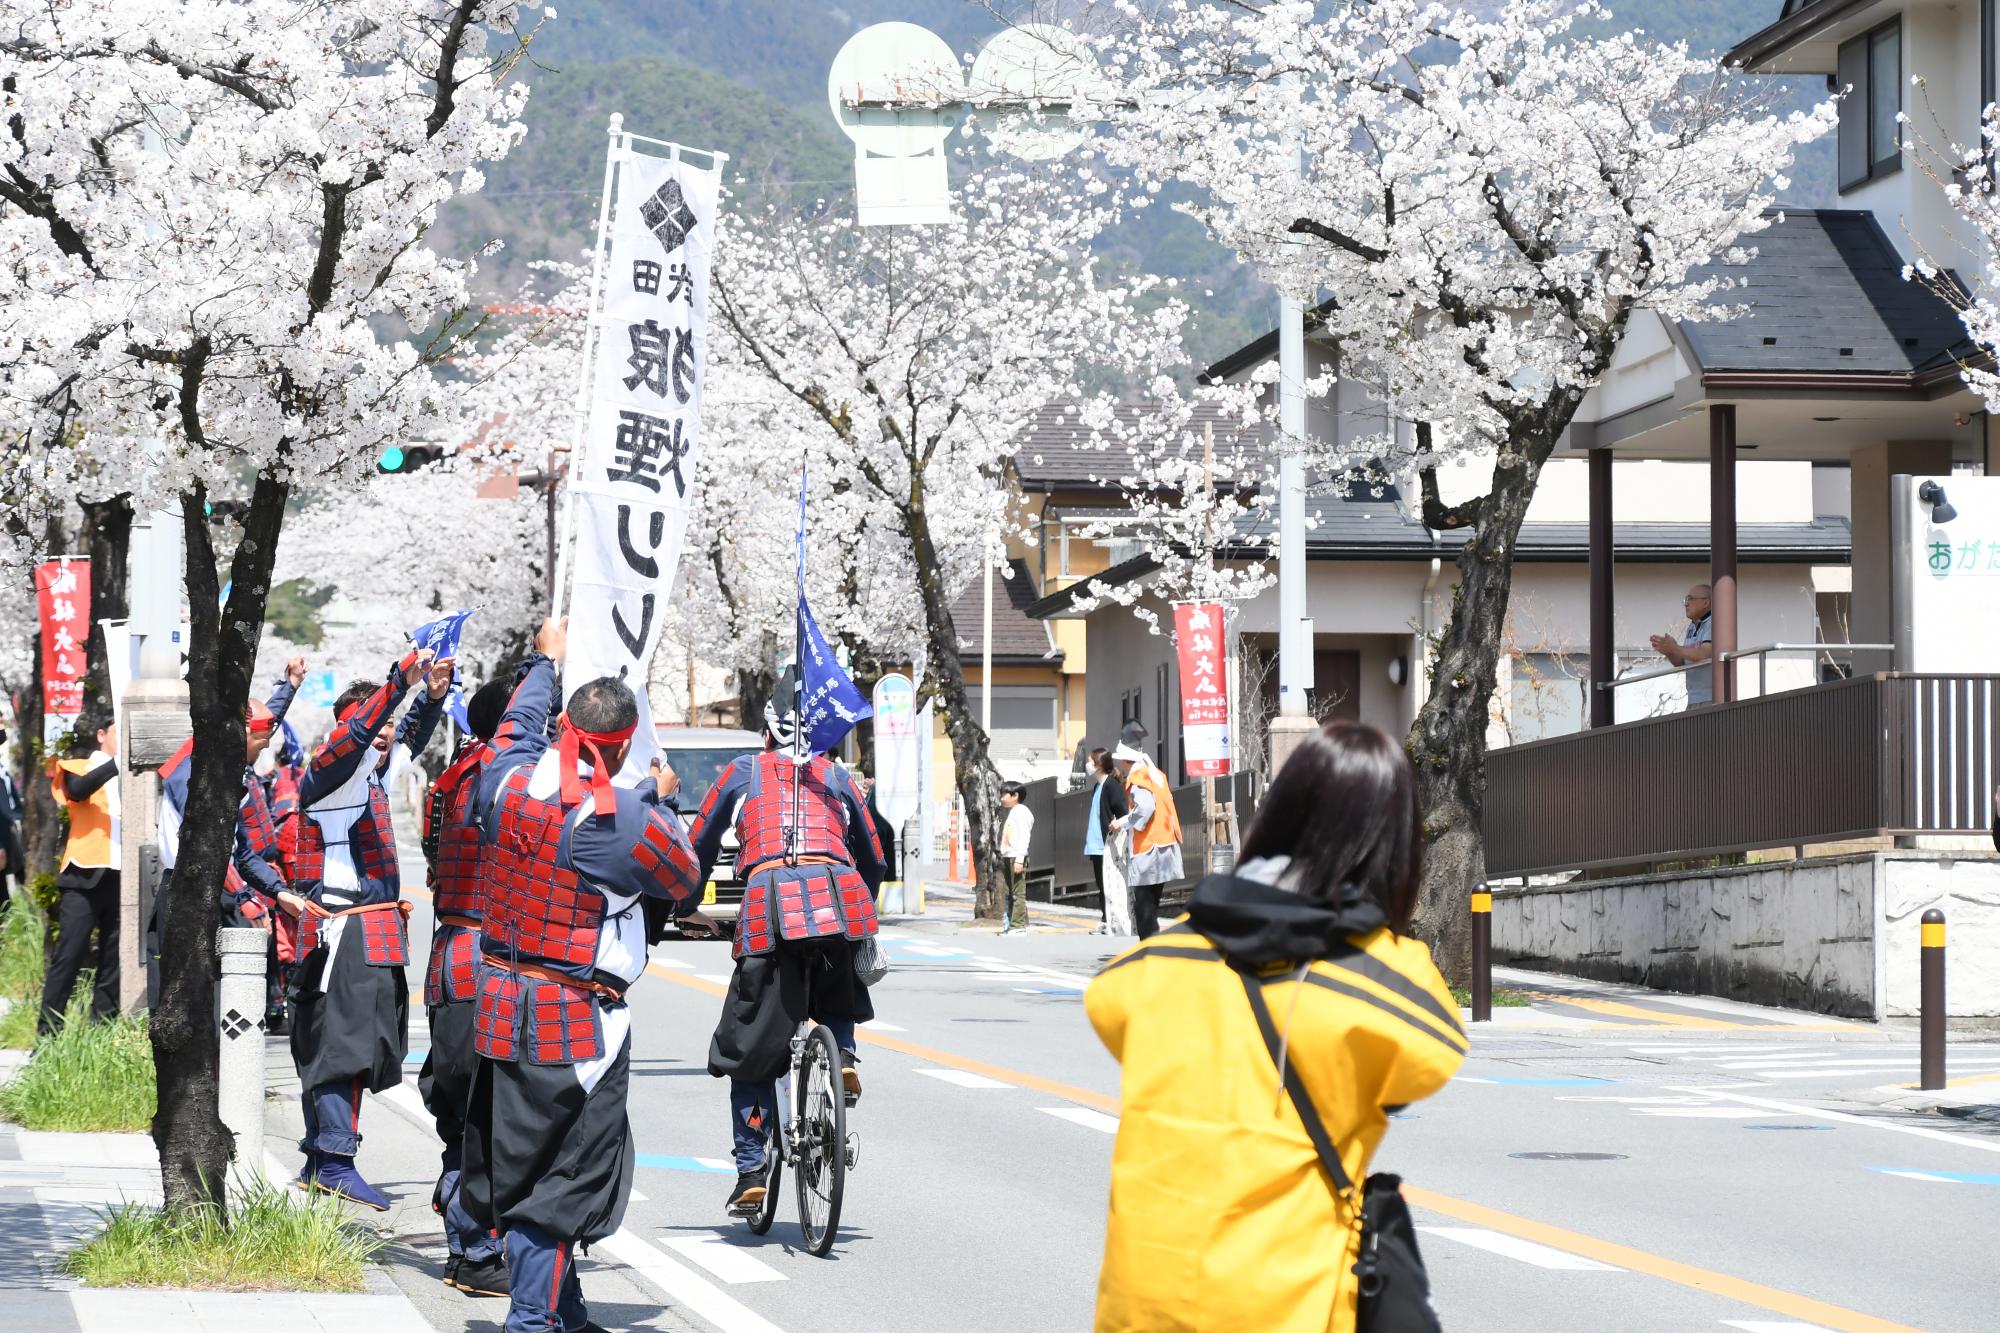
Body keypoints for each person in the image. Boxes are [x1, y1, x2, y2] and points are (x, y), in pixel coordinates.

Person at [1084, 721, 1466, 1331]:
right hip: (1287, 1304)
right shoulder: (1385, 979)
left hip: (1142, 1304)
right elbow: (1434, 1053)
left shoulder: (1161, 962)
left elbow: (1107, 1004)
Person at [460, 625, 700, 1333]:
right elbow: (683, 879)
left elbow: (513, 726)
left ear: (563, 724)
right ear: (625, 745)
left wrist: (546, 658)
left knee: (519, 1157)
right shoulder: (621, 817)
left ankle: (563, 1307)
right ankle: (531, 1319)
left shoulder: (502, 779)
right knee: (564, 1175)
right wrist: (659, 800)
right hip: (578, 1018)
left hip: (501, 1001)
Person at [689, 677, 886, 1220]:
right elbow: (872, 851)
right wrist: (861, 905)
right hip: (837, 894)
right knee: (836, 977)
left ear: (765, 730)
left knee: (749, 1048)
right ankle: (842, 1054)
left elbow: (701, 841)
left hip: (767, 905)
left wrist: (685, 901)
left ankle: (752, 1170)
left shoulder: (742, 773)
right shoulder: (835, 774)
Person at [277, 648, 450, 1210]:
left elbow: (409, 743)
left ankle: (318, 1159)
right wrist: (402, 677)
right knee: (342, 1049)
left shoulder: (370, 771)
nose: (384, 740)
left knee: (349, 1045)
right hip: (341, 931)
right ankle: (334, 1159)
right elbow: (366, 735)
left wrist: (432, 695)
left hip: (356, 929)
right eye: (375, 729)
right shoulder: (334, 771)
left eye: (386, 732)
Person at [417, 672, 515, 1298]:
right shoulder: (510, 780)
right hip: (492, 966)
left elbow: (433, 858)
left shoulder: (451, 780)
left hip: (450, 959)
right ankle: (480, 1250)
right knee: (496, 1119)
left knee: (464, 1114)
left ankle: (466, 1242)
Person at [153, 660, 303, 1006]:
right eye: (261, 743)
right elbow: (210, 849)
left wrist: (279, 892)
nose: (264, 750)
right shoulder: (193, 773)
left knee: (231, 1000)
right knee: (193, 1002)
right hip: (192, 891)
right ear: (238, 735)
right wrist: (246, 898)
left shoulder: (230, 764)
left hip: (227, 886)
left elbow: (241, 850)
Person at [40, 714, 121, 1036]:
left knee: (113, 962)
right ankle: (47, 1034)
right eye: (119, 729)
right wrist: (116, 763)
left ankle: (102, 1032)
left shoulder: (134, 773)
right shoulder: (80, 767)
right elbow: (76, 792)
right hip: (83, 875)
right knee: (69, 955)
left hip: (120, 876)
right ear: (101, 734)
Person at [1109, 724, 1181, 940]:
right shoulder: (1154, 773)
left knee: (1144, 905)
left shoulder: (1138, 777)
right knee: (1150, 902)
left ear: (1124, 760)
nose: (1119, 766)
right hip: (1165, 843)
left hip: (1150, 848)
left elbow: (1146, 808)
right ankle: (1151, 948)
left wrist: (1123, 823)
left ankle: (1149, 949)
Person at [1084, 747, 1130, 937]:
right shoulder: (1098, 786)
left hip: (1106, 843)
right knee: (1102, 885)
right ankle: (1106, 920)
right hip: (1095, 844)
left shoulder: (1111, 786)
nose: (1087, 765)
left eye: (1090, 761)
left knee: (1109, 885)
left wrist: (1117, 825)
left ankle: (1111, 921)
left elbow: (1123, 814)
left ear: (1099, 764)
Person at [1650, 583, 1715, 708]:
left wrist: (1676, 648)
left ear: (1706, 603)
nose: (1686, 604)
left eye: (1690, 599)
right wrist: (1669, 651)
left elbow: (1705, 653)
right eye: (1686, 600)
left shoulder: (1714, 622)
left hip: (1711, 697)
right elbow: (1682, 663)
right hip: (1693, 697)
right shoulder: (1691, 627)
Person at [998, 780, 1033, 935]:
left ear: (1015, 795)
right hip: (1009, 856)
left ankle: (1018, 926)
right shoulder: (1014, 811)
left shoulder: (1022, 812)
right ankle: (1012, 924)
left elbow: (1025, 837)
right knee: (1010, 893)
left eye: (1004, 794)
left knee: (1018, 893)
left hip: (1016, 857)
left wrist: (1019, 859)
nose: (1002, 798)